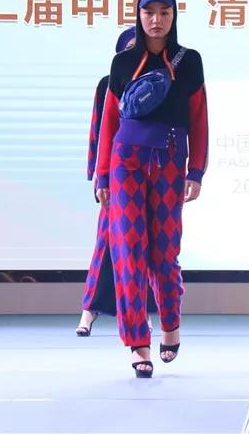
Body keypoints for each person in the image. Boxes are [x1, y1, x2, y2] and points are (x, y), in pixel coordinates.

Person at [94, 0, 208, 378]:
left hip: (170, 161)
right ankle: (137, 342)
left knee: (164, 251)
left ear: (174, 16)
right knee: (128, 251)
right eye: (148, 12)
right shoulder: (122, 63)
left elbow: (199, 118)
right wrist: (102, 174)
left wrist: (197, 170)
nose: (156, 20)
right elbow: (110, 121)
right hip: (124, 161)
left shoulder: (189, 60)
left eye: (164, 12)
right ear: (138, 15)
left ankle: (170, 325)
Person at [76, 27, 156, 337]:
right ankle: (89, 311)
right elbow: (100, 128)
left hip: (149, 172)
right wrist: (98, 173)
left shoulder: (159, 81)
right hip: (115, 171)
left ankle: (143, 312)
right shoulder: (108, 83)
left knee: (145, 244)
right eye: (129, 47)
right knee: (107, 240)